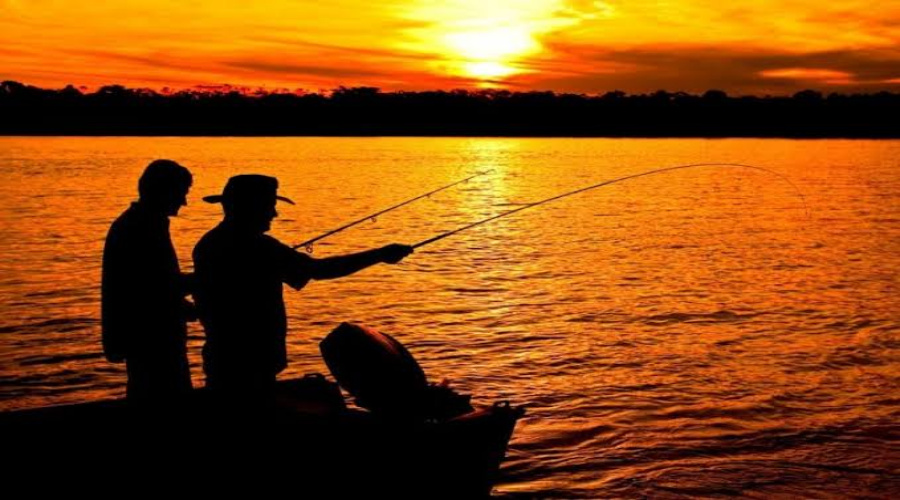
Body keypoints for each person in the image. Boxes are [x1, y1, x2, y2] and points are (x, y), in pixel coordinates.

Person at [193, 174, 412, 401]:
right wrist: (380, 254)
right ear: (249, 207)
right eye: (268, 206)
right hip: (250, 361)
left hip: (222, 356)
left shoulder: (210, 242)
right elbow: (320, 270)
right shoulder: (259, 247)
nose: (274, 214)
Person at [101, 159, 194, 404]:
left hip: (145, 336)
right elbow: (155, 288)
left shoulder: (137, 223)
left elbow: (148, 284)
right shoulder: (142, 227)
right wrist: (209, 279)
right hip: (152, 340)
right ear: (163, 191)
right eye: (181, 193)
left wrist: (183, 306)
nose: (184, 202)